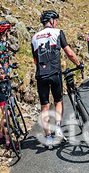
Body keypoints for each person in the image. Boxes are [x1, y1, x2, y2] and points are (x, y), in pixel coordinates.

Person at [31, 10, 83, 149]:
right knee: (58, 101)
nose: (57, 22)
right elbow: (69, 53)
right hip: (55, 73)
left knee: (45, 107)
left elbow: (35, 60)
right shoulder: (58, 32)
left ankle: (48, 138)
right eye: (56, 20)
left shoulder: (34, 37)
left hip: (41, 74)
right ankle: (58, 127)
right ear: (52, 20)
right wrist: (79, 64)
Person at [0, 20, 14, 147]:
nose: (10, 32)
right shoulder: (2, 43)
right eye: (9, 30)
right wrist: (1, 68)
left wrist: (10, 66)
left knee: (5, 110)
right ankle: (8, 141)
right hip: (0, 81)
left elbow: (2, 59)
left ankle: (0, 136)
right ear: (6, 32)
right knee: (6, 112)